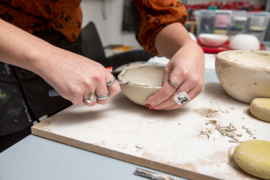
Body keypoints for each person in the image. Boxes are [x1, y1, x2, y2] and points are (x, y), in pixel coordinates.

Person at [0, 0, 204, 152]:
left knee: (65, 142)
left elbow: (160, 16)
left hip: (65, 46)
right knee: (18, 152)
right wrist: (47, 56)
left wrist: (188, 48)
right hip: (7, 53)